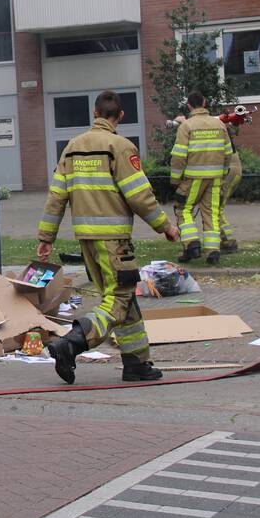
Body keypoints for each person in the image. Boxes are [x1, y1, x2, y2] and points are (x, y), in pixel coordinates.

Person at [38, 91, 179, 384]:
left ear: (94, 113)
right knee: (118, 299)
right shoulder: (120, 146)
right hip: (114, 242)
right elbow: (139, 195)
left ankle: (137, 365)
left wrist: (46, 236)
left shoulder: (72, 148)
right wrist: (165, 226)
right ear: (121, 116)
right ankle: (72, 343)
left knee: (124, 301)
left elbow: (56, 196)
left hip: (86, 241)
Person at [171, 91, 231, 266]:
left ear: (189, 105)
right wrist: (223, 174)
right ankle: (213, 252)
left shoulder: (186, 126)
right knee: (211, 213)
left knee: (184, 209)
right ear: (204, 103)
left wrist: (175, 180)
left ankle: (192, 244)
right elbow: (228, 153)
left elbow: (179, 156)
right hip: (215, 179)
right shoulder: (219, 124)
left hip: (192, 178)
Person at [218, 123, 242, 254]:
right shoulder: (225, 137)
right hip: (234, 173)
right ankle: (227, 240)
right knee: (218, 208)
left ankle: (228, 242)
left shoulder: (220, 137)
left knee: (217, 208)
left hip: (230, 174)